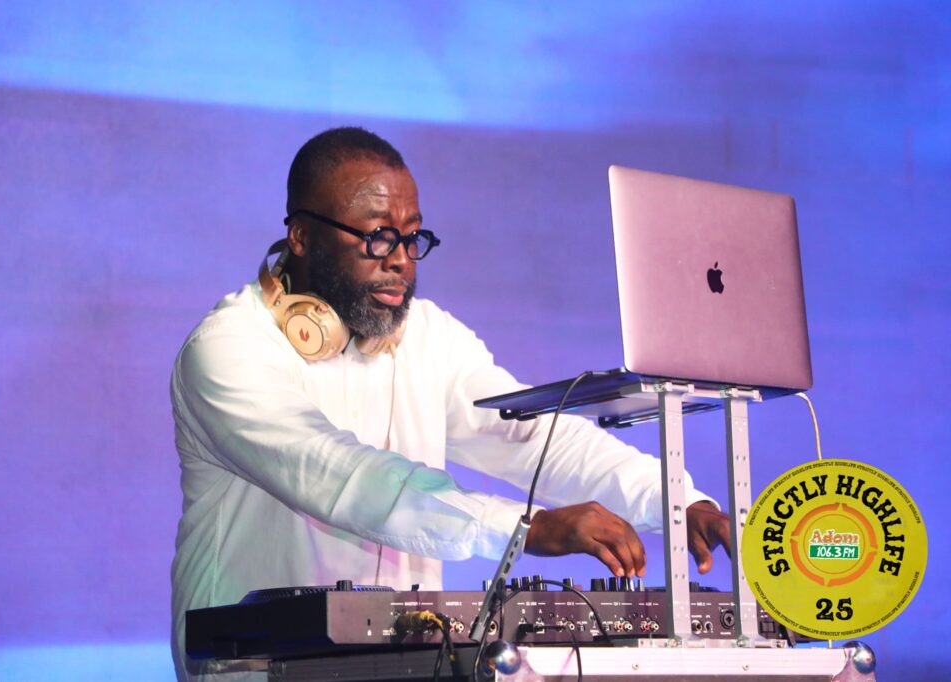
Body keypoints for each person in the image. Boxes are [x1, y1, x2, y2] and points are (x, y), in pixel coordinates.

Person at [169, 127, 730, 680]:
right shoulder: (228, 347)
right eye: (378, 237)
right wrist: (524, 528)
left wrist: (678, 501)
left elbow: (532, 439)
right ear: (301, 236)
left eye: (412, 237)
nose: (402, 261)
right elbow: (335, 471)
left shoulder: (427, 336)